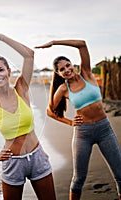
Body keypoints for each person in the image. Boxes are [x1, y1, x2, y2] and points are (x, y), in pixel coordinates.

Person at [0, 31, 56, 200]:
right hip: (13, 163)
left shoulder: (21, 89)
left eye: (1, 70)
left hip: (37, 157)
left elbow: (29, 55)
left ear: (9, 72)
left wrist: (1, 38)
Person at [35, 39, 121, 200]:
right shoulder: (63, 89)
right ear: (59, 74)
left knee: (120, 175)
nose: (67, 70)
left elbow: (82, 44)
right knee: (78, 178)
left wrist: (54, 42)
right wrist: (70, 122)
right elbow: (50, 111)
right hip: (83, 133)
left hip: (105, 130)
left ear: (73, 65)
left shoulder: (87, 74)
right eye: (62, 69)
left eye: (68, 65)